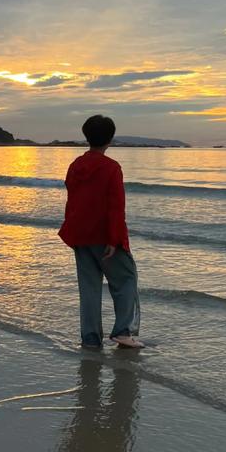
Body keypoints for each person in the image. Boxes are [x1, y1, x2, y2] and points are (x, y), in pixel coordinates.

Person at [58, 114, 143, 349]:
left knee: (89, 287)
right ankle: (123, 331)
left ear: (87, 136)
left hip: (80, 234)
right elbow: (116, 206)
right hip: (104, 236)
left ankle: (91, 338)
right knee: (126, 280)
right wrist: (115, 239)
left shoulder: (75, 166)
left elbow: (73, 199)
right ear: (111, 138)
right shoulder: (111, 168)